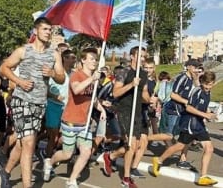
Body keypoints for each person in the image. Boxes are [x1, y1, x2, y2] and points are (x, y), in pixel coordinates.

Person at [0, 17, 65, 188]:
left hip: (40, 103)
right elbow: (4, 68)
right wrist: (19, 81)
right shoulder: (24, 51)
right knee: (29, 144)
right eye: (45, 29)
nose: (48, 32)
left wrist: (52, 74)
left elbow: (61, 78)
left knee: (22, 143)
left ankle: (5, 171)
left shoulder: (54, 53)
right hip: (22, 100)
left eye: (50, 30)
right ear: (36, 31)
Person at [43, 47, 105, 188]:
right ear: (83, 60)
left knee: (86, 152)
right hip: (71, 121)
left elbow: (92, 97)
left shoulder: (93, 78)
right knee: (67, 154)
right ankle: (49, 162)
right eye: (91, 59)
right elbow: (77, 90)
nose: (94, 62)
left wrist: (101, 109)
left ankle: (71, 180)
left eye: (96, 59)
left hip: (84, 123)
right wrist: (92, 79)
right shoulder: (76, 75)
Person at [152, 71, 218, 186]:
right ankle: (158, 160)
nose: (208, 86)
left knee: (209, 148)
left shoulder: (208, 92)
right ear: (202, 82)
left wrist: (209, 113)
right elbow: (189, 108)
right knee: (180, 146)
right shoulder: (197, 91)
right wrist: (205, 115)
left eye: (211, 84)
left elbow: (202, 107)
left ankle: (203, 176)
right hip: (190, 123)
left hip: (199, 123)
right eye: (207, 84)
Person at [102, 46, 149, 188]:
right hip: (123, 111)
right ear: (132, 56)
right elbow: (115, 93)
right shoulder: (123, 72)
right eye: (140, 56)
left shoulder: (144, 74)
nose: (142, 59)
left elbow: (144, 93)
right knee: (131, 145)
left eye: (144, 57)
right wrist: (131, 85)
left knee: (134, 146)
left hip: (137, 111)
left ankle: (110, 156)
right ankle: (126, 178)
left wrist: (150, 100)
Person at [162, 58, 201, 170]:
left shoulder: (192, 79)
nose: (196, 69)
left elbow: (199, 91)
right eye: (194, 67)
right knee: (169, 135)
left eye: (197, 67)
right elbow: (173, 95)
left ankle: (182, 159)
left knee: (187, 135)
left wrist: (196, 79)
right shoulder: (182, 78)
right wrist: (186, 102)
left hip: (184, 111)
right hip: (174, 110)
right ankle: (148, 141)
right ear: (188, 67)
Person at [44, 49, 75, 159]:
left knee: (62, 136)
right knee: (53, 135)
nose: (74, 60)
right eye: (72, 57)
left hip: (67, 108)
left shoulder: (74, 74)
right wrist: (55, 96)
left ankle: (50, 153)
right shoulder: (55, 72)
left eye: (75, 58)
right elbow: (45, 90)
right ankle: (47, 158)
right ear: (65, 58)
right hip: (53, 106)